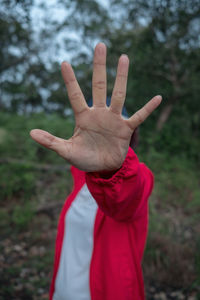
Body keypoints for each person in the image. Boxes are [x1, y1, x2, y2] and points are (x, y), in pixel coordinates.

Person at [30, 42, 162, 300]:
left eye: (117, 125)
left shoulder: (140, 177)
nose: (105, 131)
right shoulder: (80, 178)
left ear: (131, 134)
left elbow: (123, 198)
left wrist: (113, 168)